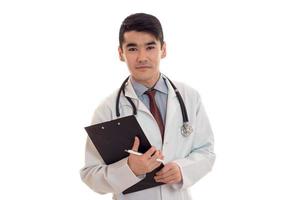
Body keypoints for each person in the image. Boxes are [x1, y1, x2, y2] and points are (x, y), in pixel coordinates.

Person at [80, 13, 215, 200]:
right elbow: (90, 175)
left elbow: (206, 152)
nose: (142, 57)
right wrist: (129, 169)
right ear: (121, 53)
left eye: (150, 47)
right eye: (133, 49)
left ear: (163, 49)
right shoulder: (108, 109)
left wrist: (182, 169)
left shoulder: (189, 97)